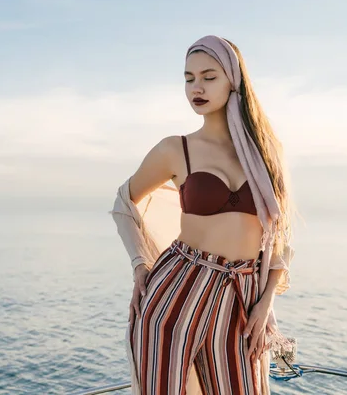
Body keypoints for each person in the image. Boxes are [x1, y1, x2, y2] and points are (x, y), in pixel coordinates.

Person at [111, 35, 296, 395]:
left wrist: (266, 301)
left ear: (233, 80)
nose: (197, 87)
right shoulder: (174, 149)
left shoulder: (267, 152)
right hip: (175, 291)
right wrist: (139, 265)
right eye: (188, 77)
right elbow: (123, 202)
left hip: (241, 298)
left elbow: (281, 235)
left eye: (209, 77)